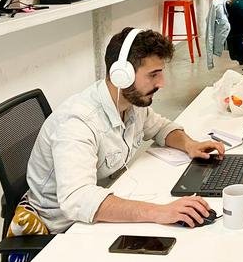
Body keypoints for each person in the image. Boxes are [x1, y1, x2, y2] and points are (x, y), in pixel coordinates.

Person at [24, 28, 225, 235]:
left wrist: (189, 145)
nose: (162, 83)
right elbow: (78, 198)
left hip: (106, 203)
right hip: (66, 228)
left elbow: (161, 127)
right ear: (122, 76)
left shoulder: (132, 103)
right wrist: (159, 212)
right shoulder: (78, 123)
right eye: (153, 75)